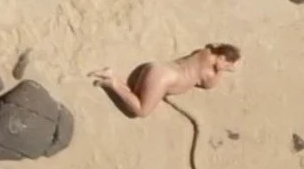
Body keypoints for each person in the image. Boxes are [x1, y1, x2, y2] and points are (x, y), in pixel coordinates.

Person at [89, 44, 242, 118]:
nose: (227, 68)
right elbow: (209, 85)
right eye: (227, 64)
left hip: (157, 67)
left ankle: (111, 75)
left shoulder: (204, 51)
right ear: (221, 58)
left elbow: (212, 47)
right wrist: (222, 71)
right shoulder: (210, 72)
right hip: (163, 78)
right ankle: (113, 84)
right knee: (142, 111)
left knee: (135, 96)